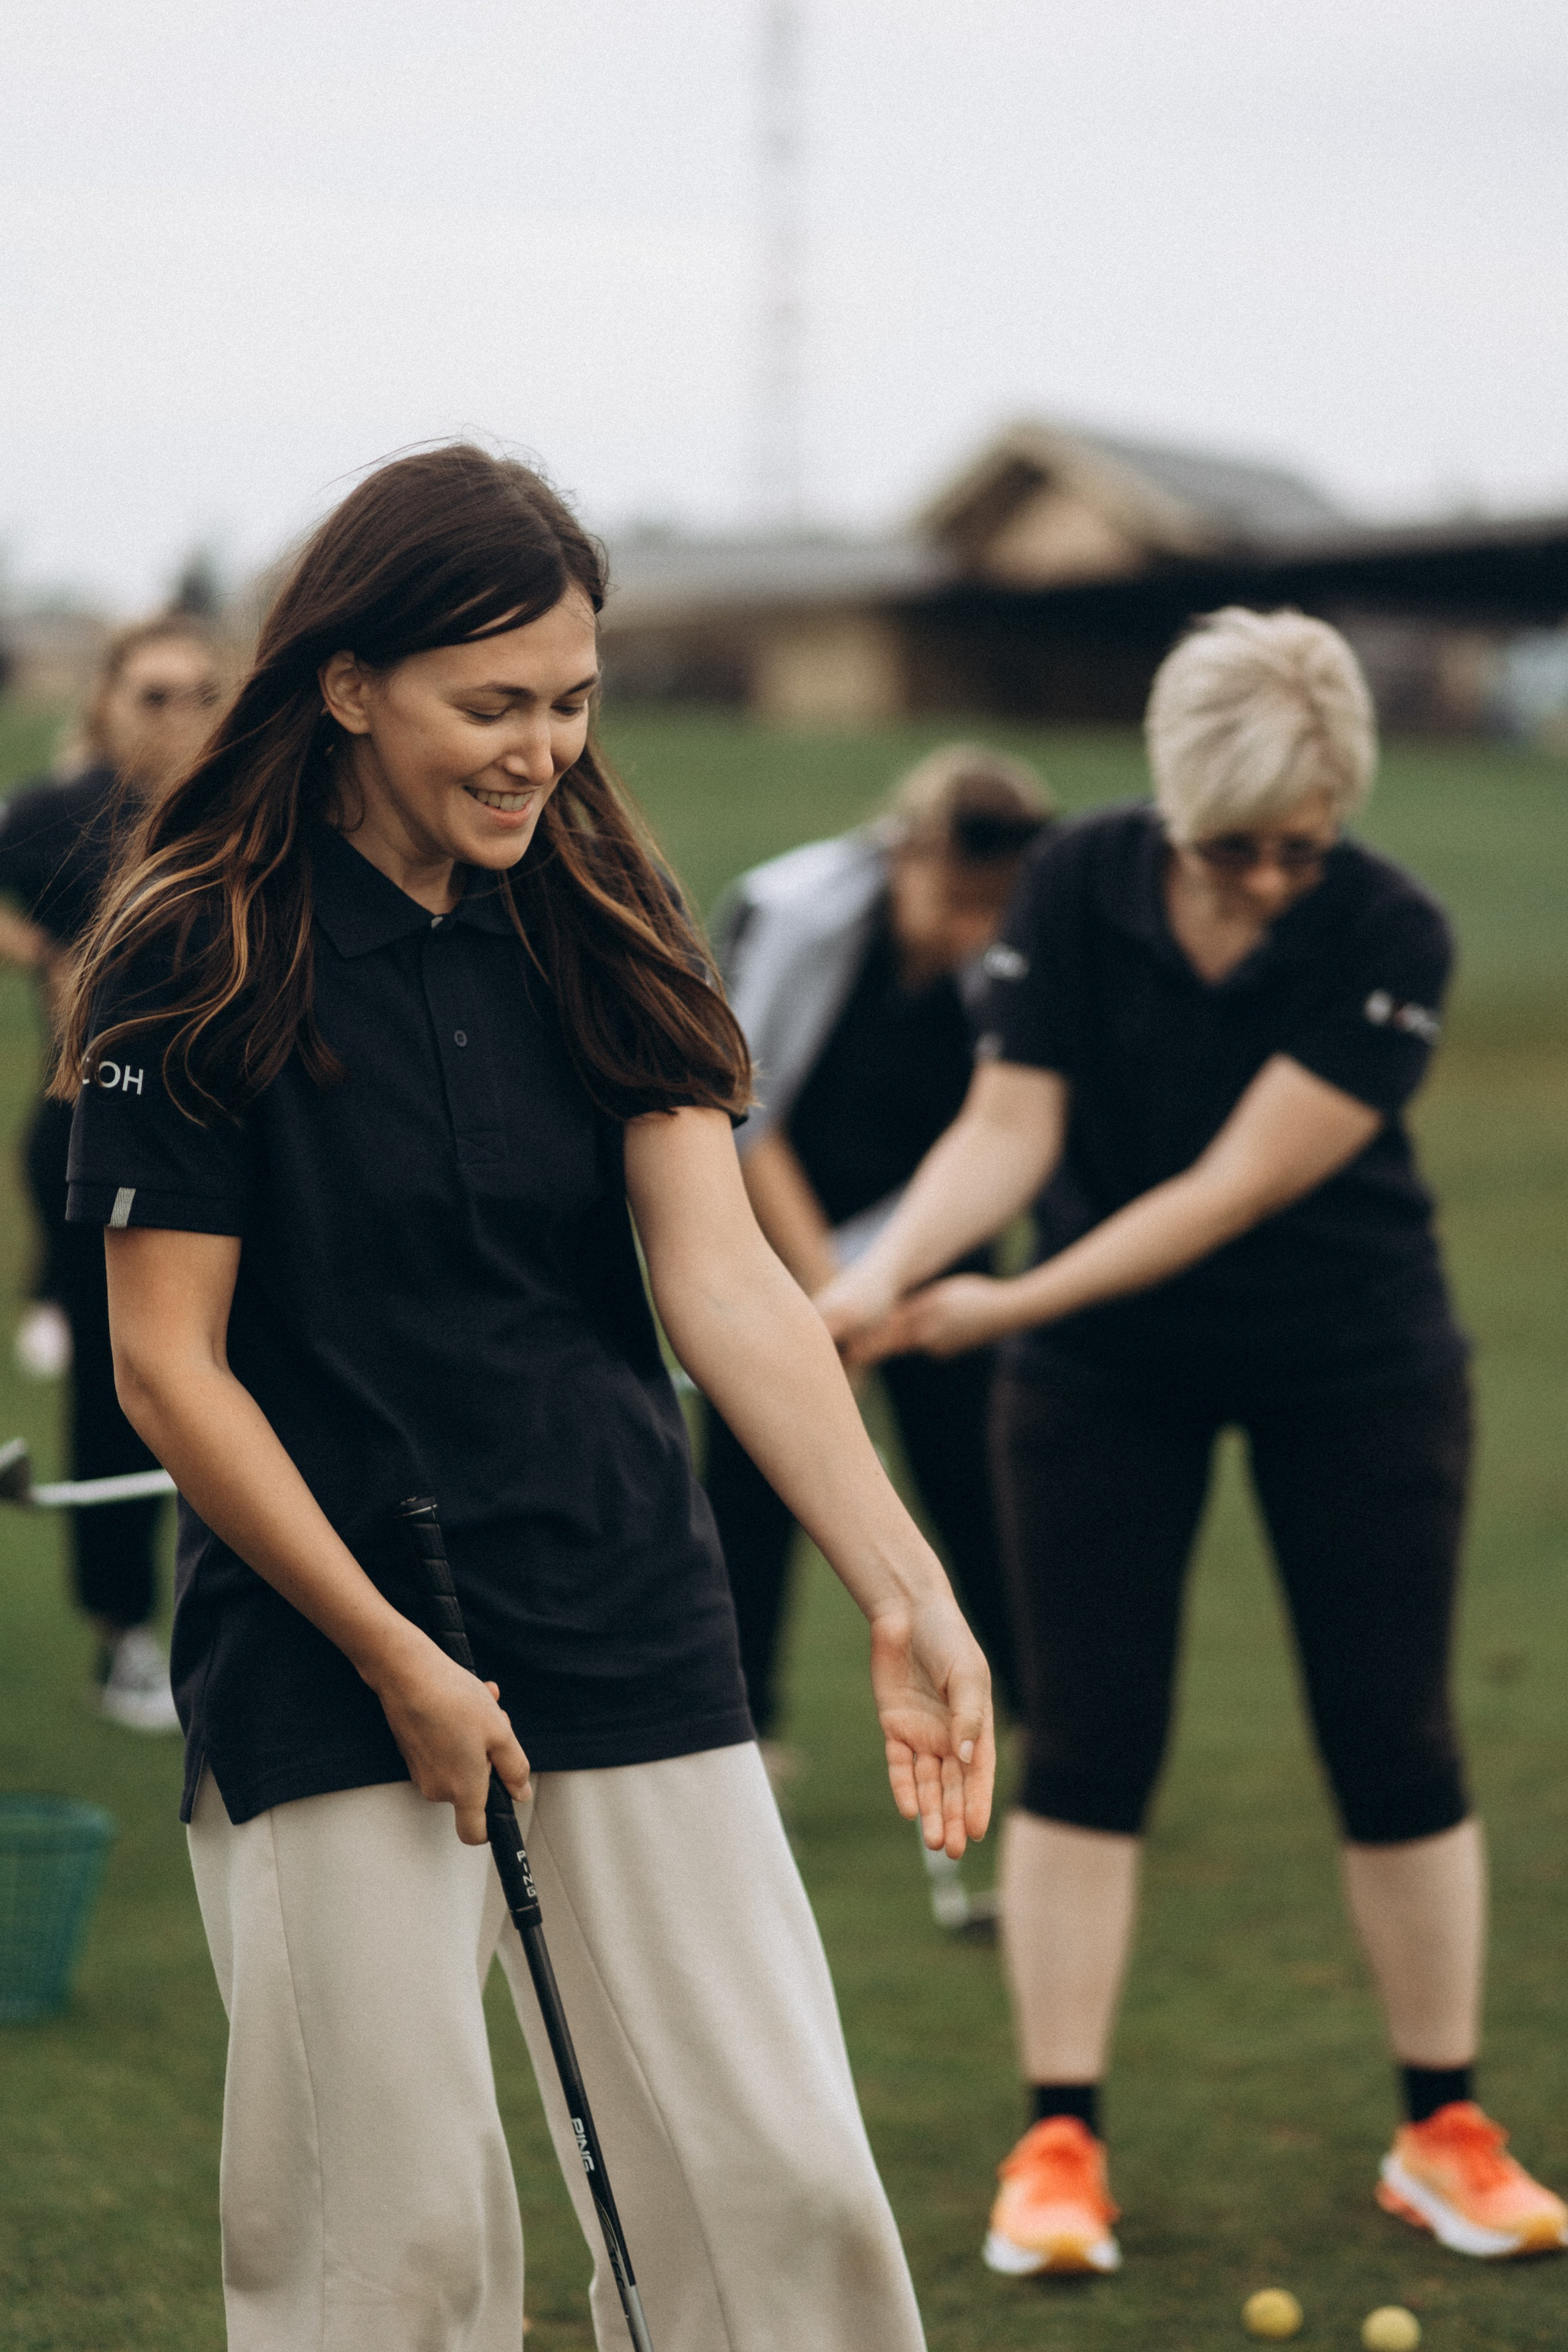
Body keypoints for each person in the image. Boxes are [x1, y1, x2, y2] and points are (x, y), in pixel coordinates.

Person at [58, 444, 993, 2352]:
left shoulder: (608, 912)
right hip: (332, 1651)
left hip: (624, 1599)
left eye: (570, 702)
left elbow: (722, 1279)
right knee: (389, 2258)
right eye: (490, 705)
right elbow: (167, 1369)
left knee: (785, 2193)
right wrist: (394, 1651)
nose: (539, 749)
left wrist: (904, 1578)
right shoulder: (191, 947)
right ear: (347, 683)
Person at [820, 609, 1566, 2277]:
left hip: (1355, 1355)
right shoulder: (1078, 884)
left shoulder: (1392, 930)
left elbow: (1227, 1189)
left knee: (1397, 1741)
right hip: (1108, 1381)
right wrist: (875, 1278)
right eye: (1241, 851)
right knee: (1089, 1743)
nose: (1276, 883)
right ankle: (1058, 2143)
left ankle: (1442, 2131)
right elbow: (1010, 1127)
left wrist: (992, 1312)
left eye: (1307, 848)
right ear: (1173, 808)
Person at [705, 747, 1049, 1926]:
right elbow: (742, 1110)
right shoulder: (801, 915)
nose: (972, 933)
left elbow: (1009, 1128)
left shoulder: (1018, 941)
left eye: (991, 911)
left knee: (976, 1468)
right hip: (783, 1245)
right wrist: (826, 1288)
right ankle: (747, 1726)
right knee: (756, 1480)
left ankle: (1020, 1698)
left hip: (933, 1254)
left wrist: (894, 1278)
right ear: (908, 857)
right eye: (957, 902)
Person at [0, 614, 223, 1728]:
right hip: (96, 1132)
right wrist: (40, 951)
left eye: (202, 692)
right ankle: (124, 1630)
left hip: (237, 1142)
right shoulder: (58, 816)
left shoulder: (245, 811)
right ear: (107, 701)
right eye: (154, 694)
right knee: (121, 1390)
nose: (180, 716)